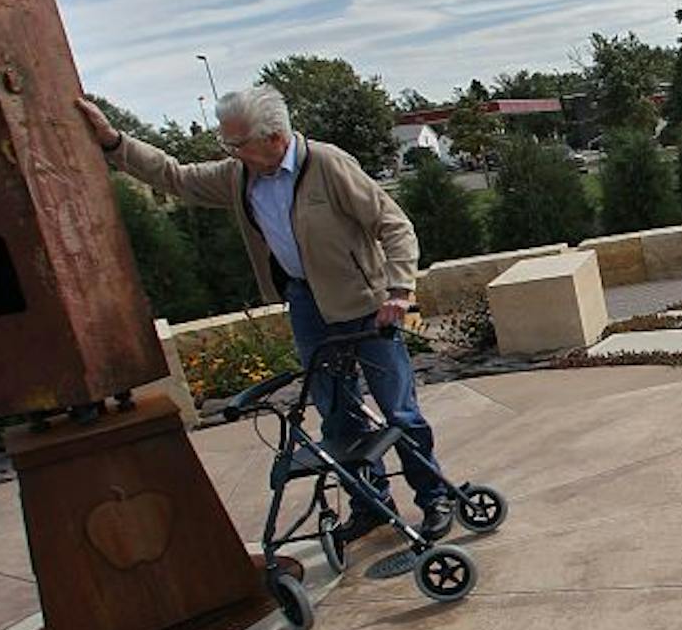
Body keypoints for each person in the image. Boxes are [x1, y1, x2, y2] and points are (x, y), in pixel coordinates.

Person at [77, 86, 454, 545]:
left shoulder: (328, 165)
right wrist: (114, 141)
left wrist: (398, 290)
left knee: (398, 411)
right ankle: (371, 505)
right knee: (338, 417)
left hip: (366, 304)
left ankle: (435, 498)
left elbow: (393, 226)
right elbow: (175, 176)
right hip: (308, 305)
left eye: (237, 143)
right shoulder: (240, 175)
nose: (230, 151)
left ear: (274, 137)